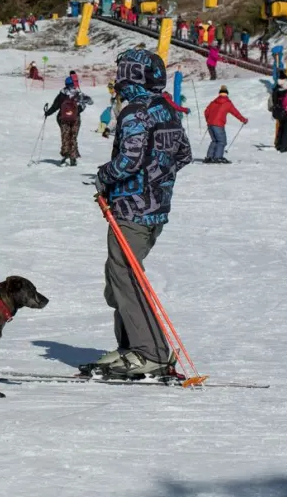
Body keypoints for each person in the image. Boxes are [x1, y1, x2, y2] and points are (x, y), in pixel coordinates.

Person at [91, 48, 192, 378]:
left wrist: (105, 176)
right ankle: (132, 346)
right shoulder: (166, 108)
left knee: (126, 277)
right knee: (117, 278)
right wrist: (159, 179)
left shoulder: (135, 112)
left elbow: (129, 161)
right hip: (155, 210)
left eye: (122, 72)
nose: (118, 79)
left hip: (132, 211)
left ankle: (150, 353)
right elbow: (184, 154)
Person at [44, 77, 92, 167]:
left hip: (63, 118)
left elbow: (55, 106)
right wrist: (78, 110)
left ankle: (65, 154)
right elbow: (89, 102)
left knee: (65, 136)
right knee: (73, 137)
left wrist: (47, 113)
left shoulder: (62, 94)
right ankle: (73, 157)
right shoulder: (79, 94)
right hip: (75, 119)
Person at [203, 86, 247, 164]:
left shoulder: (213, 102)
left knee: (214, 140)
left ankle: (209, 157)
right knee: (221, 141)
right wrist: (243, 119)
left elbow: (206, 111)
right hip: (218, 125)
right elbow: (235, 113)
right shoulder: (227, 103)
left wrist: (208, 120)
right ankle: (218, 157)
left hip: (210, 125)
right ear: (227, 94)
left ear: (219, 94)